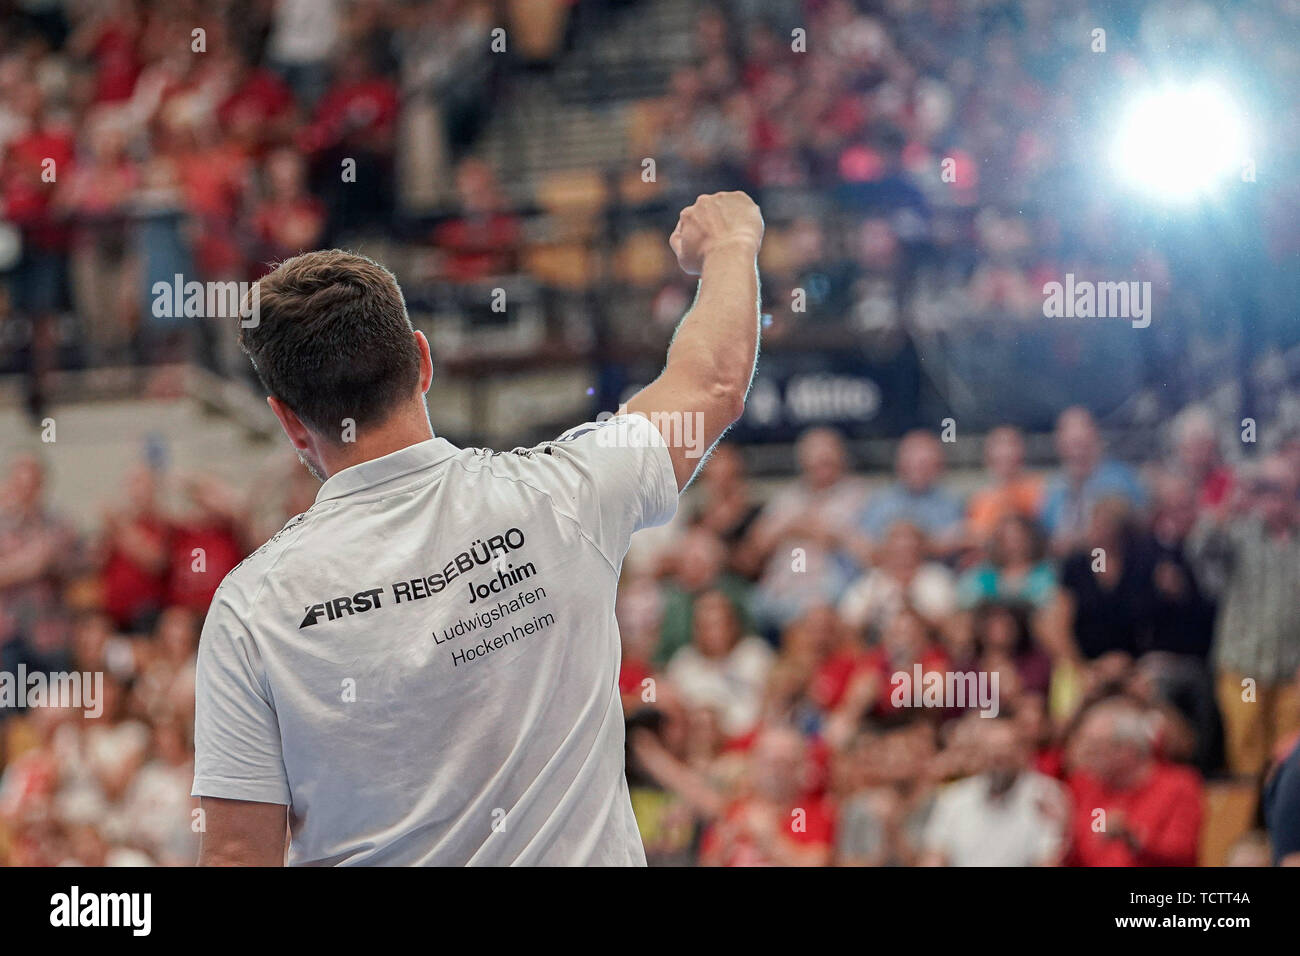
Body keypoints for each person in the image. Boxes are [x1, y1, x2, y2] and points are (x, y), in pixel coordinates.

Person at [192, 190, 765, 866]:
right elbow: (713, 386)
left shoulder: (250, 609)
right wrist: (731, 244)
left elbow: (236, 855)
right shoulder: (560, 496)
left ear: (288, 420)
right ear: (423, 360)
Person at [1187, 455, 1300, 777]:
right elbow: (1199, 555)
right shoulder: (1239, 533)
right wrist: (1225, 509)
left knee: (1289, 759)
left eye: (1280, 488)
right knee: (1246, 754)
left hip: (1292, 673)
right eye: (1265, 488)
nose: (1273, 497)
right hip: (1243, 669)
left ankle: (1285, 822)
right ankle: (1251, 823)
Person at [1064, 697, 1202, 866]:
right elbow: (1082, 853)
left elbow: (1181, 854)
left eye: (1096, 750)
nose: (1086, 759)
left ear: (1126, 750)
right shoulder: (1087, 788)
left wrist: (1132, 838)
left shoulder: (1179, 786)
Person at [919, 717, 1068, 867]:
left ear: (1023, 752)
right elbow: (934, 857)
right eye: (993, 756)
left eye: (1006, 755)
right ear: (980, 755)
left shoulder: (1047, 796)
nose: (999, 764)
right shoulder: (955, 798)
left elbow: (1048, 860)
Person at [1040, 407, 1146, 555]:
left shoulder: (1120, 478)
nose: (1077, 452)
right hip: (1067, 565)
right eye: (1070, 445)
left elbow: (1135, 525)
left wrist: (1081, 541)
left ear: (1095, 439)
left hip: (1107, 558)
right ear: (1059, 446)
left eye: (1082, 443)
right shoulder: (1053, 486)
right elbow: (1046, 532)